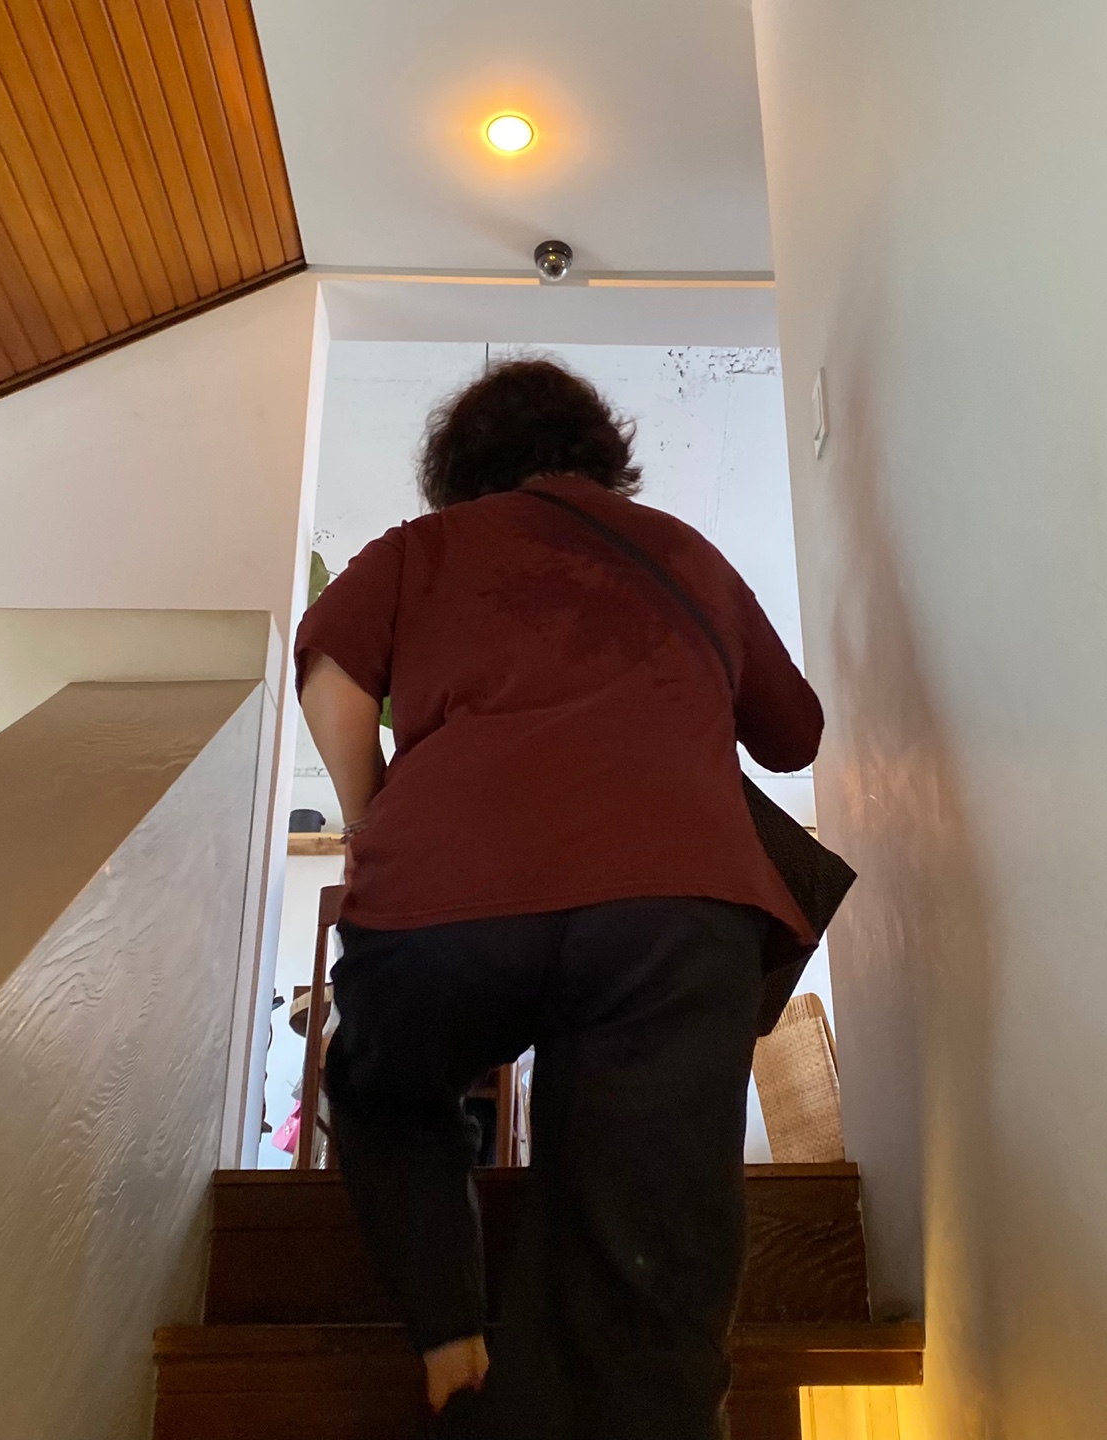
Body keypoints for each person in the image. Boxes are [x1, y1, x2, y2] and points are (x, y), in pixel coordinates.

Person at [296, 359, 823, 1440]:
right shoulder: (684, 552)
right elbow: (794, 734)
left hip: (447, 901)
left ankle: (450, 1335)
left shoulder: (419, 550)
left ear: (458, 468)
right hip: (674, 910)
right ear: (601, 453)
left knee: (387, 1082)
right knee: (649, 1220)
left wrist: (371, 815)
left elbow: (331, 671)